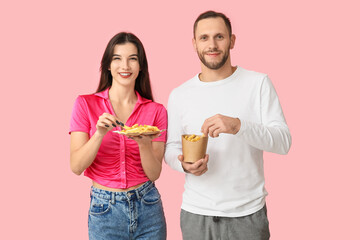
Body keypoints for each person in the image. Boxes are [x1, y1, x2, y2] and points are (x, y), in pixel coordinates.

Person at [165, 10, 292, 240]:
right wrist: (184, 165)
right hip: (196, 215)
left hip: (248, 216)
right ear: (194, 44)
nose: (212, 44)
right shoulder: (179, 95)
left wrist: (238, 126)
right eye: (204, 38)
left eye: (219, 37)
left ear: (232, 41)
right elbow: (171, 148)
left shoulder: (258, 84)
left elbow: (283, 142)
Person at [69, 32, 167, 240]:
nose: (125, 66)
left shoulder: (156, 111)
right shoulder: (85, 104)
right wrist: (99, 134)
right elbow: (76, 166)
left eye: (133, 59)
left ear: (141, 66)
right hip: (105, 210)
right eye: (117, 58)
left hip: (148, 205)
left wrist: (144, 144)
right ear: (107, 65)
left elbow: (154, 173)